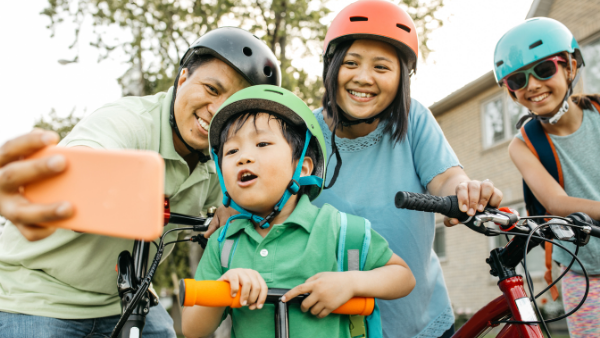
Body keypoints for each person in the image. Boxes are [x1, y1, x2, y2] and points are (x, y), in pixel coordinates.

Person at [0, 27, 281, 337]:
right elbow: (79, 163)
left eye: (232, 105)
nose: (217, 112)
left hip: (125, 299)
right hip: (37, 294)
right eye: (212, 89)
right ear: (183, 78)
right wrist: (67, 186)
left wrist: (235, 211)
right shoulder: (128, 122)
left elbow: (260, 198)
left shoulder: (224, 158)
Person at [309, 1, 503, 337]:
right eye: (351, 63)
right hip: (333, 323)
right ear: (331, 67)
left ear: (402, 78)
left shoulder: (413, 118)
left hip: (419, 320)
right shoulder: (302, 133)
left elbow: (446, 177)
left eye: (382, 67)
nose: (363, 77)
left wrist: (465, 191)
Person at [182, 85, 416, 338]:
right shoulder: (224, 244)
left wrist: (350, 283)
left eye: (262, 143)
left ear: (303, 168)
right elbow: (192, 329)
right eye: (232, 151)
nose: (243, 157)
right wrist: (224, 286)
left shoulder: (339, 230)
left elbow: (403, 277)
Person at [495, 17, 600, 338]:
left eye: (544, 70)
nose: (533, 86)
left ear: (570, 67)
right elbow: (557, 202)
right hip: (585, 274)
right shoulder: (523, 144)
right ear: (512, 92)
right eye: (517, 80)